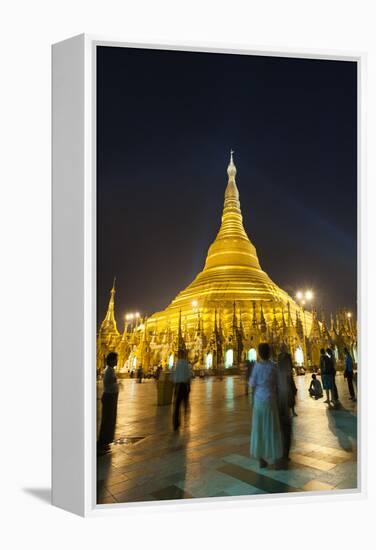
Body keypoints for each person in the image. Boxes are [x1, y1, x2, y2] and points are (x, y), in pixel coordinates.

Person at [249, 343, 282, 469]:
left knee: (259, 429)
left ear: (259, 353)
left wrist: (252, 401)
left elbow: (252, 385)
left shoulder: (257, 367)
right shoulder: (273, 367)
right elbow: (278, 385)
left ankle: (261, 458)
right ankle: (273, 455)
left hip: (259, 401)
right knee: (271, 427)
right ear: (269, 353)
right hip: (271, 400)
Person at [276, 344, 297, 465]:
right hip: (282, 405)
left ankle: (283, 453)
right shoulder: (283, 376)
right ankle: (284, 453)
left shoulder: (280, 375)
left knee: (284, 429)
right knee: (285, 429)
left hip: (282, 404)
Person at [97, 352, 119, 455]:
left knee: (110, 420)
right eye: (115, 359)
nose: (117, 361)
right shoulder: (109, 371)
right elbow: (107, 383)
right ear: (111, 360)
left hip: (112, 397)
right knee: (107, 420)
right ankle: (102, 443)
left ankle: (105, 442)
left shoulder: (111, 370)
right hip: (109, 397)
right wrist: (115, 383)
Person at [172, 348, 192, 431]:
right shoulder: (185, 364)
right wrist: (189, 386)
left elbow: (172, 375)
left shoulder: (175, 364)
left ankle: (176, 424)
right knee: (185, 403)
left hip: (177, 386)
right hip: (183, 385)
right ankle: (185, 418)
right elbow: (188, 375)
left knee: (176, 405)